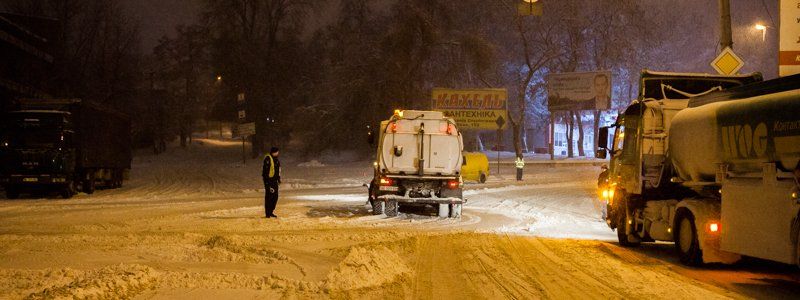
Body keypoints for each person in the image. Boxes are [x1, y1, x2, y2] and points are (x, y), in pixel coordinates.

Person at [262, 147, 281, 218]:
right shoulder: (268, 159)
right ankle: (268, 213)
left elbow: (278, 170)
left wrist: (278, 178)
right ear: (273, 152)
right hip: (269, 181)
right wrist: (267, 183)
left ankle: (271, 211)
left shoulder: (276, 160)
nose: (278, 153)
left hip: (274, 181)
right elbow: (265, 172)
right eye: (277, 152)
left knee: (275, 197)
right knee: (269, 197)